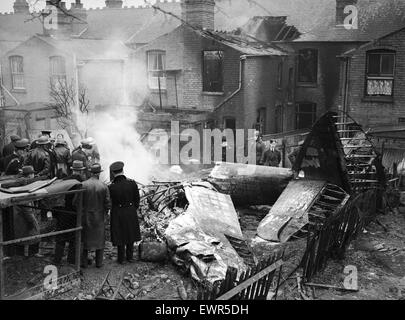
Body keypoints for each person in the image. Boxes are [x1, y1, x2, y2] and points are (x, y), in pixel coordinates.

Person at [53, 160, 87, 265]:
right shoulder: (82, 182)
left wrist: (55, 213)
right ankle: (71, 260)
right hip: (75, 213)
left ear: (72, 170)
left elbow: (56, 196)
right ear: (81, 171)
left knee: (61, 237)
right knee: (74, 237)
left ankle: (57, 260)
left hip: (63, 212)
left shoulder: (64, 180)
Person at [108, 161, 141, 264]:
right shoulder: (132, 183)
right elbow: (137, 199)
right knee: (130, 232)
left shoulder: (111, 186)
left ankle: (121, 258)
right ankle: (130, 257)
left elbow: (110, 202)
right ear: (123, 170)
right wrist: (133, 208)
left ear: (113, 173)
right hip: (130, 210)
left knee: (120, 234)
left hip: (117, 211)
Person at [81, 164, 111, 268]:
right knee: (99, 240)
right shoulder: (103, 186)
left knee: (84, 240)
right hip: (99, 216)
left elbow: (76, 202)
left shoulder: (83, 185)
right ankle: (99, 263)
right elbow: (108, 203)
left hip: (85, 216)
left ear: (90, 172)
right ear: (98, 173)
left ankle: (83, 263)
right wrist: (105, 213)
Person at [13, 166, 40, 257]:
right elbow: (27, 206)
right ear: (29, 175)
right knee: (34, 232)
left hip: (18, 214)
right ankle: (32, 253)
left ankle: (19, 254)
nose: (34, 175)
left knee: (20, 235)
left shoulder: (20, 182)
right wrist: (32, 220)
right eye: (32, 173)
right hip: (24, 214)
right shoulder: (25, 185)